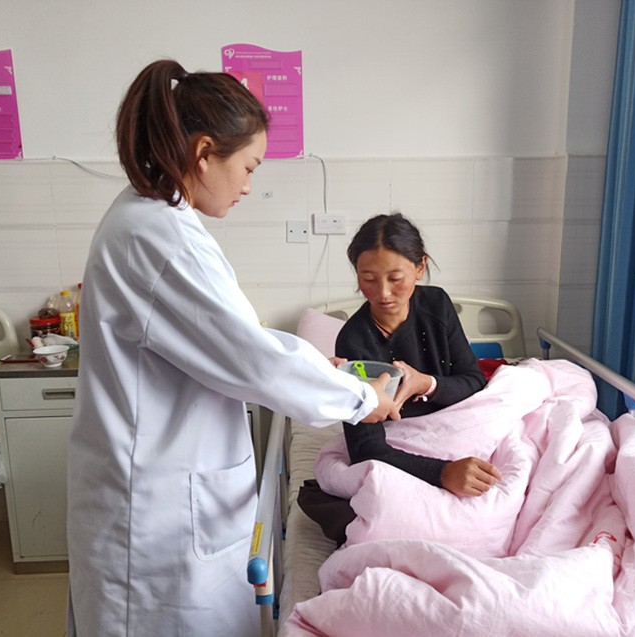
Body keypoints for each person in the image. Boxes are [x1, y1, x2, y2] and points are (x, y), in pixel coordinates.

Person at [66, 59, 399, 637]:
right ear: (203, 153)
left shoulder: (152, 219)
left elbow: (231, 339)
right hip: (155, 511)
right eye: (248, 166)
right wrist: (360, 397)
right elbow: (251, 358)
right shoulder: (160, 238)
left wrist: (315, 367)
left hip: (163, 483)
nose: (248, 185)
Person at [299, 213, 502, 545]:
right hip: (406, 448)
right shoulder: (354, 341)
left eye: (396, 278)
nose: (383, 293)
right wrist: (443, 473)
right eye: (368, 278)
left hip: (461, 425)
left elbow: (474, 382)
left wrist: (427, 384)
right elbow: (366, 449)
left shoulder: (436, 305)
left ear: (420, 267)